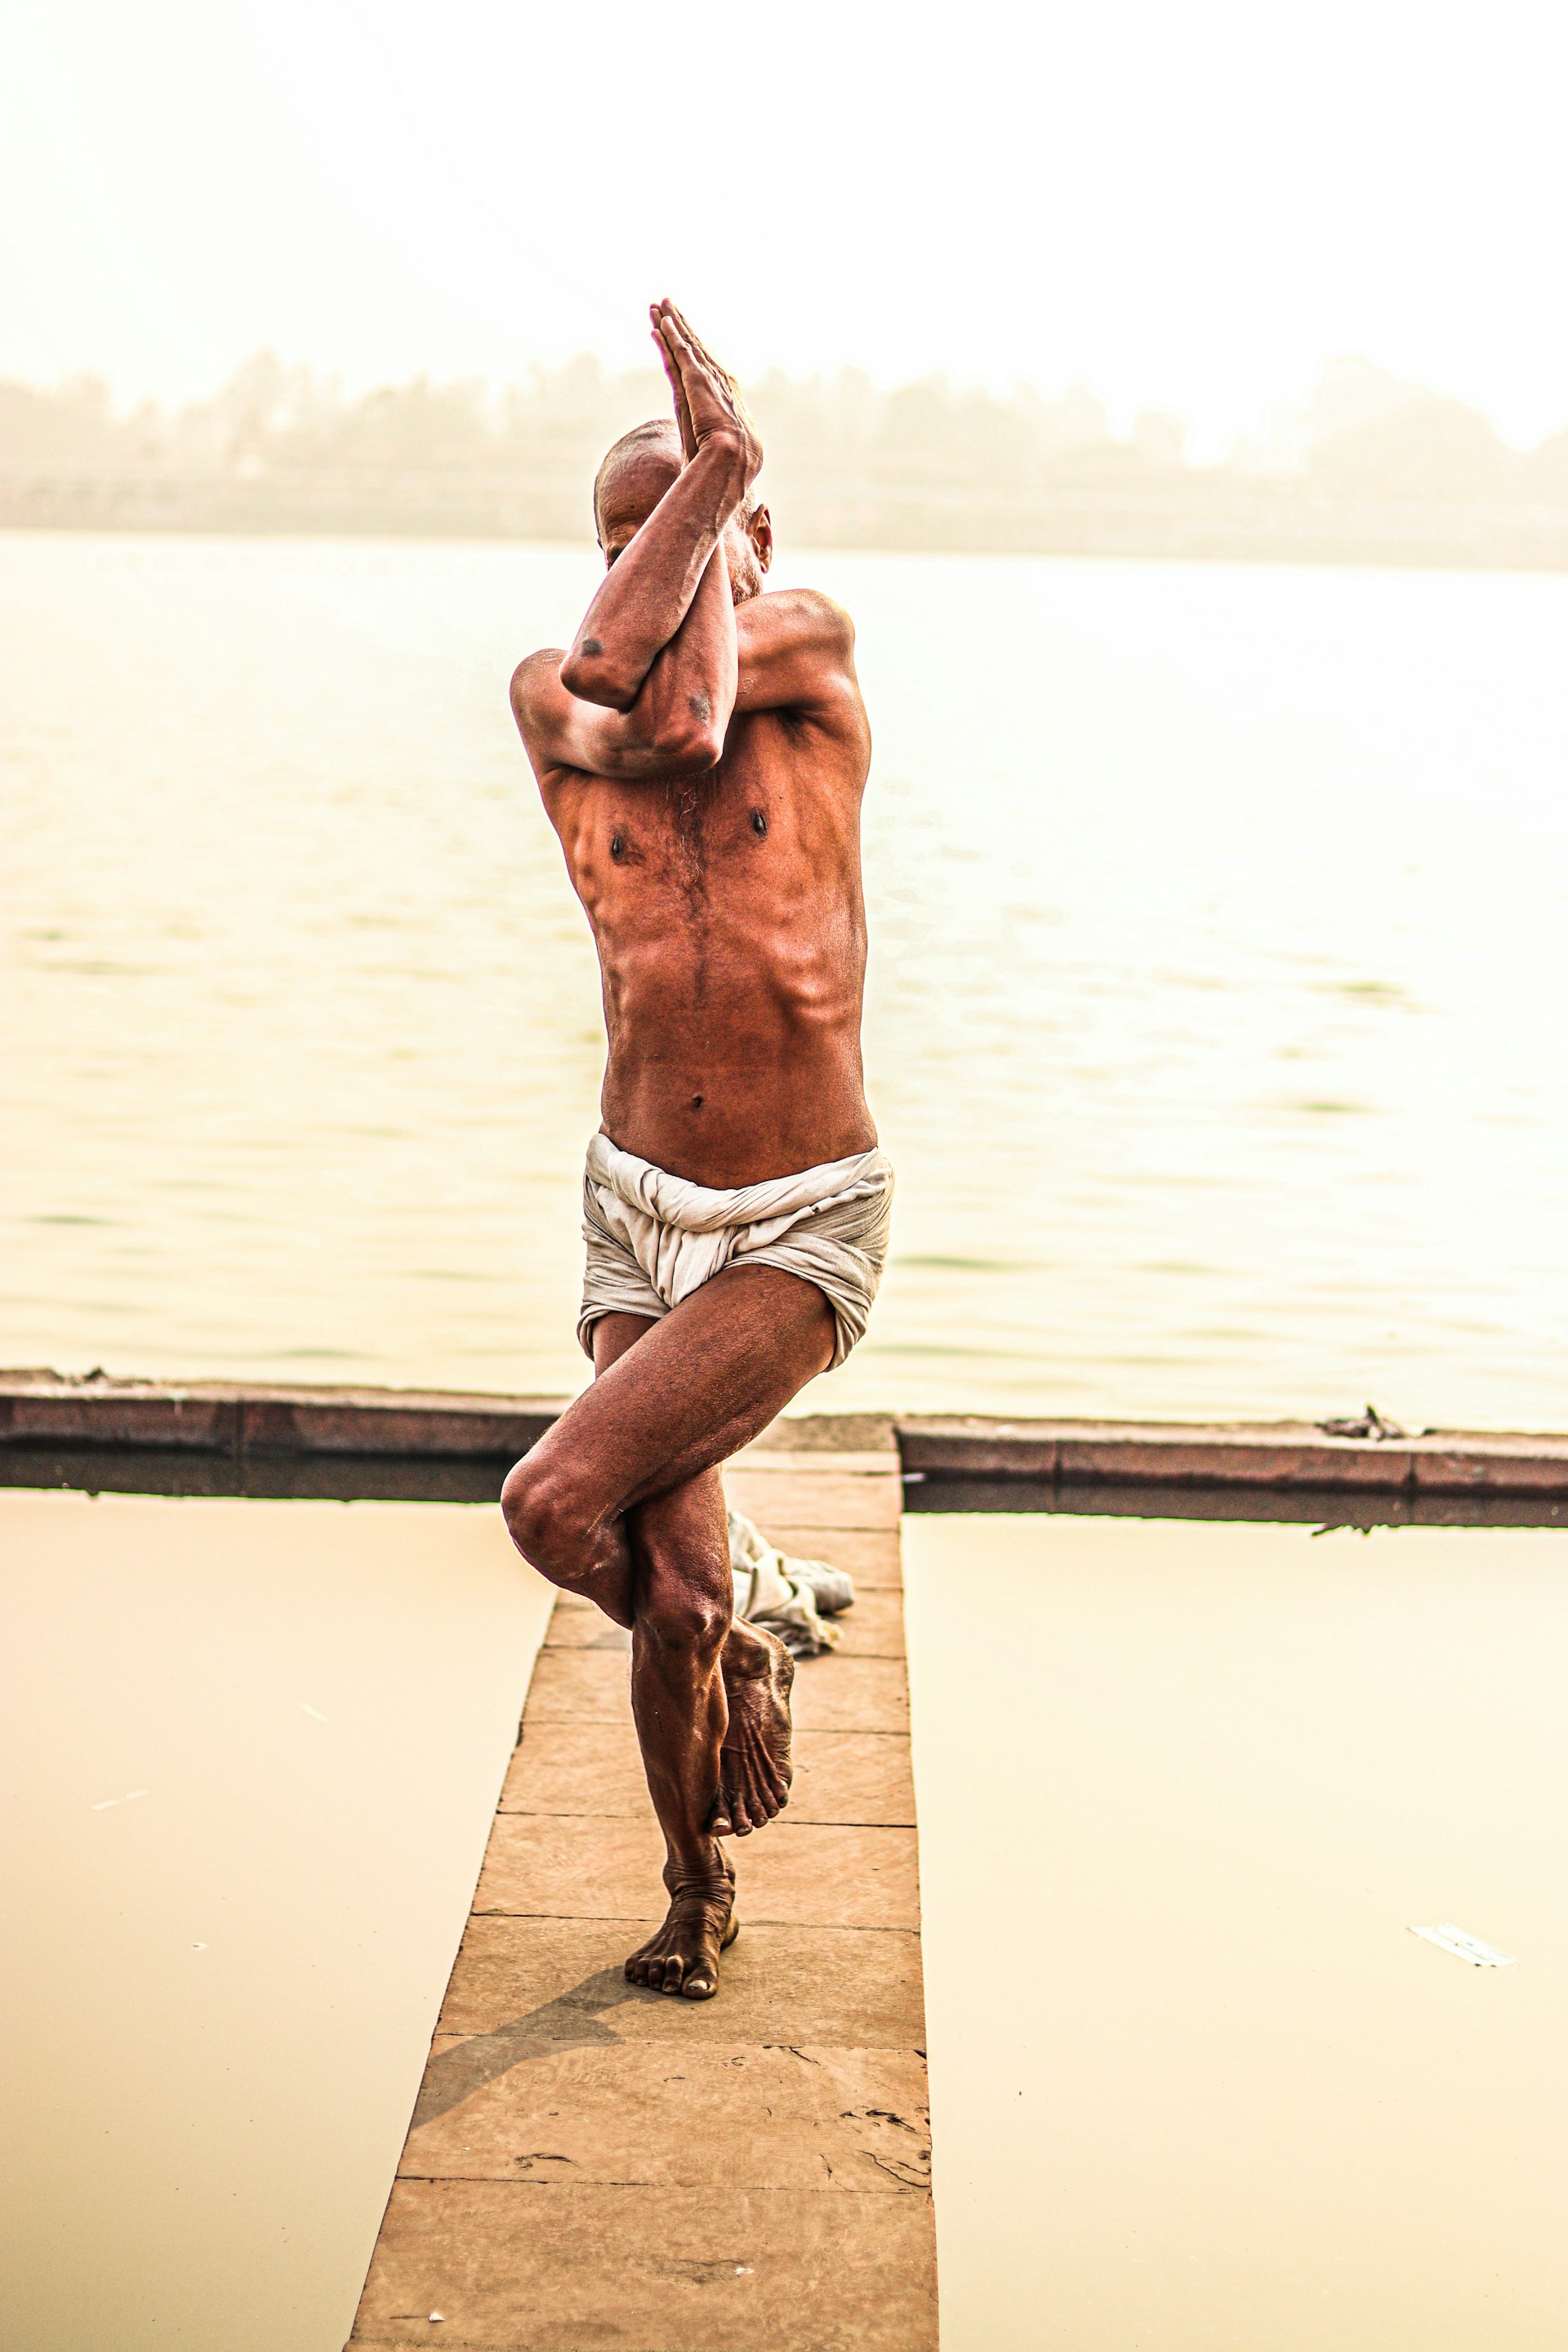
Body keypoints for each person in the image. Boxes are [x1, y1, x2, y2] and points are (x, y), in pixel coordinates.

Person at [501, 301, 890, 2000]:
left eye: (700, 533)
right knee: (668, 1596)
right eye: (622, 544)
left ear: (758, 542)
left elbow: (692, 719)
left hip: (798, 1225)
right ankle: (694, 1889)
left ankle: (741, 1646)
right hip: (633, 1215)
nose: (654, 575)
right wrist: (701, 482)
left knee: (549, 1501)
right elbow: (622, 693)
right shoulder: (548, 692)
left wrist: (722, 486)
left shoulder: (806, 642)